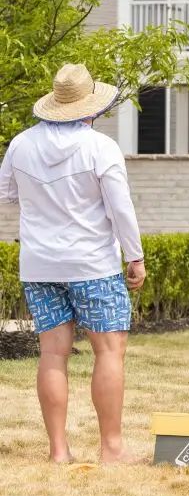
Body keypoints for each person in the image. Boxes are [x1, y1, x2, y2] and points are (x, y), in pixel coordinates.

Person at [0, 63, 146, 464]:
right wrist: (134, 255)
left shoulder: (21, 144)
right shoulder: (100, 147)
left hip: (39, 265)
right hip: (93, 264)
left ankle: (59, 451)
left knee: (52, 353)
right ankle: (112, 449)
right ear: (91, 107)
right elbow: (120, 208)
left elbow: (6, 194)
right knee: (109, 351)